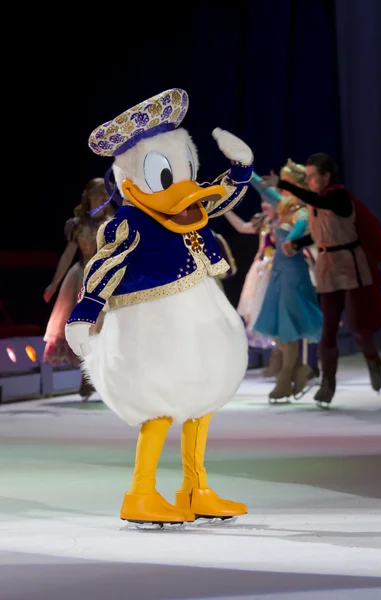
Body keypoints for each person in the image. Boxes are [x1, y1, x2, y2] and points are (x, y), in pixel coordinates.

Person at [64, 88, 254, 527]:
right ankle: (141, 492)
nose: (182, 187)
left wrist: (240, 169)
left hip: (200, 315)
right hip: (153, 323)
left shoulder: (188, 208)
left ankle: (195, 487)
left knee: (202, 398)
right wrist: (85, 311)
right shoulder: (130, 222)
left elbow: (219, 197)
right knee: (160, 403)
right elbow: (104, 265)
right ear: (129, 181)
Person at [261, 152, 381, 406]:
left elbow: (322, 204)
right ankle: (328, 384)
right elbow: (319, 234)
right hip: (327, 266)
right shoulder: (316, 202)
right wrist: (298, 243)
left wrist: (283, 185)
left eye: (314, 176)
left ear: (326, 177)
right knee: (328, 331)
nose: (311, 181)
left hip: (349, 265)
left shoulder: (338, 196)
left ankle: (372, 359)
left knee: (357, 326)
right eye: (309, 176)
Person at [253, 160, 323, 401]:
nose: (282, 188)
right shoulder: (284, 205)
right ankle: (299, 370)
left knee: (288, 330)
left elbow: (297, 233)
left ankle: (285, 379)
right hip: (279, 273)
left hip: (293, 274)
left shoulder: (302, 212)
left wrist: (291, 240)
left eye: (287, 183)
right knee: (276, 329)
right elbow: (261, 187)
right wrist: (242, 164)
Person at [43, 178, 115, 399]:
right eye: (99, 193)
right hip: (81, 277)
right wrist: (54, 284)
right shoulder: (78, 225)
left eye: (107, 193)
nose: (103, 197)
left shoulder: (113, 222)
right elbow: (67, 255)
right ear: (89, 197)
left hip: (105, 279)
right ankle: (86, 376)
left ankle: (101, 378)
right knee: (85, 329)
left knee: (104, 329)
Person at [224, 176, 281, 375]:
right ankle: (276, 359)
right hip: (260, 273)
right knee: (261, 314)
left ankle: (285, 361)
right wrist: (225, 210)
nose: (265, 205)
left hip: (276, 272)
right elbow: (241, 227)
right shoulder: (264, 222)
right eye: (263, 201)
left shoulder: (282, 223)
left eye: (269, 201)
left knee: (276, 315)